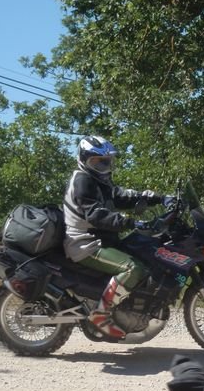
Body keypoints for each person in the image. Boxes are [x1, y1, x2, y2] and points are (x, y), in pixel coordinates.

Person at [63, 135, 170, 339]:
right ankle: (101, 314)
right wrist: (130, 222)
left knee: (142, 250)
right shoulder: (82, 180)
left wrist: (158, 198)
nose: (104, 165)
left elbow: (119, 195)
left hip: (101, 240)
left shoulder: (97, 179)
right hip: (85, 243)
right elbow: (95, 214)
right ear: (84, 159)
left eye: (107, 161)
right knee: (133, 268)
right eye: (98, 161)